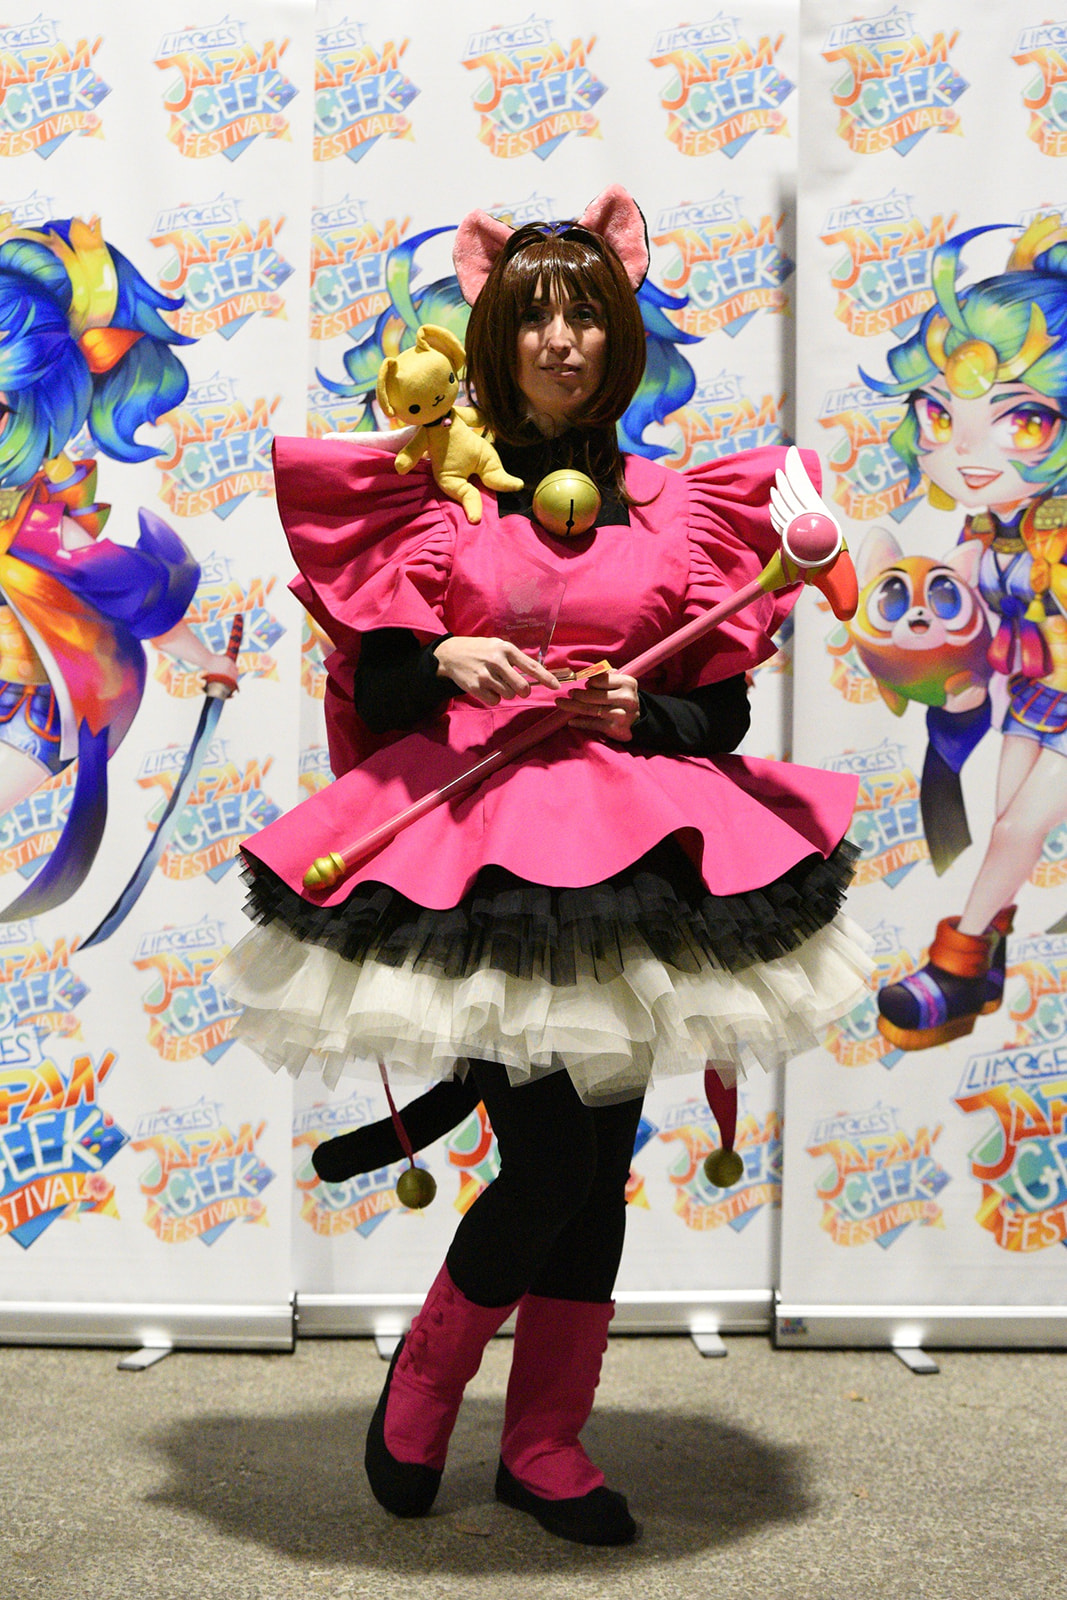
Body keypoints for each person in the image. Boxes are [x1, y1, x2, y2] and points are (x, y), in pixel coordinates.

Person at [219, 186, 869, 1545]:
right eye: (534, 319)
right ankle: (428, 1372)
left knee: (599, 1155)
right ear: (496, 338)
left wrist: (644, 711)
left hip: (634, 853)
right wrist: (444, 657)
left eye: (585, 316)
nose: (561, 340)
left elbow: (718, 712)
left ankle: (544, 1442)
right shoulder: (431, 502)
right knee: (555, 1159)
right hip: (482, 860)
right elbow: (377, 683)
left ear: (618, 336)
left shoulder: (680, 509)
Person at [867, 217, 1067, 1048]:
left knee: (1017, 829)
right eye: (940, 414)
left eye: (1022, 421)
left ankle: (954, 966)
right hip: (1038, 699)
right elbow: (954, 605)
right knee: (1004, 823)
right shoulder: (987, 530)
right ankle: (985, 966)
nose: (968, 451)